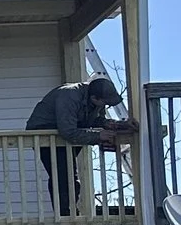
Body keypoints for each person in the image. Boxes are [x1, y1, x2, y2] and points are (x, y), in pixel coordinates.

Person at [26, 75, 136, 217]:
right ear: (95, 98)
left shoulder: (93, 99)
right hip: (46, 135)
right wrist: (98, 136)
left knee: (71, 179)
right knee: (63, 177)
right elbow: (68, 131)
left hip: (66, 133)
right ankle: (67, 221)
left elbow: (94, 120)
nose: (104, 106)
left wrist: (115, 124)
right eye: (104, 103)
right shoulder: (69, 95)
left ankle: (72, 218)